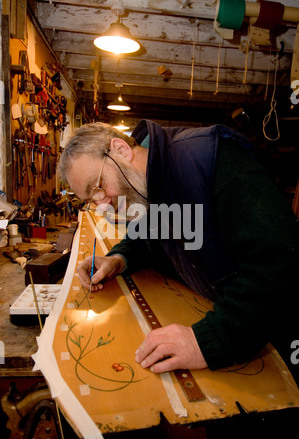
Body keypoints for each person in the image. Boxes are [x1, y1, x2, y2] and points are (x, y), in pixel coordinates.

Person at [58, 120, 299, 384]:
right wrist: (117, 259)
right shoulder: (145, 186)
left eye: (99, 186)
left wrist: (206, 341)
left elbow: (280, 263)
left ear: (121, 150)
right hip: (238, 325)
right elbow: (147, 239)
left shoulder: (213, 159)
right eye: (92, 199)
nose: (103, 206)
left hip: (279, 336)